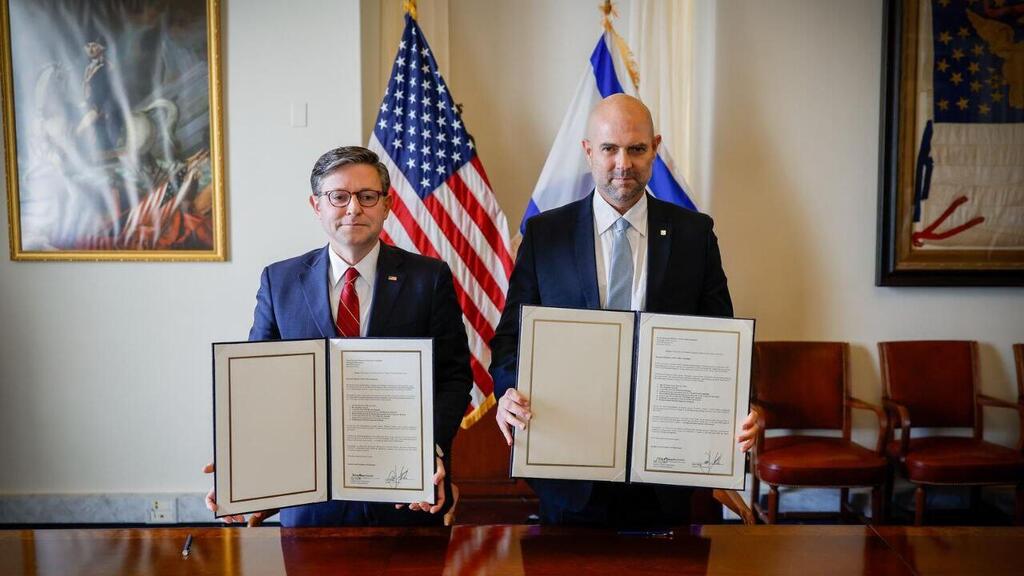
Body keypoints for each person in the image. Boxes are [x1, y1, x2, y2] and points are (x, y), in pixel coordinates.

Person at [489, 94, 759, 527]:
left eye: (636, 149)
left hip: (664, 469)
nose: (623, 163)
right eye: (610, 148)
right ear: (588, 151)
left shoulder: (694, 234)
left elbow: (723, 338)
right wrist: (506, 392)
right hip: (568, 463)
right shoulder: (545, 235)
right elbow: (510, 340)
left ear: (655, 147)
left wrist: (746, 406)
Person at [205, 146, 472, 526]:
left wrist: (431, 451)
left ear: (387, 204)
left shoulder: (428, 279)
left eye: (367, 197)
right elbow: (257, 388)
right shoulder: (279, 281)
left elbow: (454, 377)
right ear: (317, 206)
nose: (353, 209)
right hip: (309, 500)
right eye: (338, 197)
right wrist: (244, 467)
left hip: (404, 495)